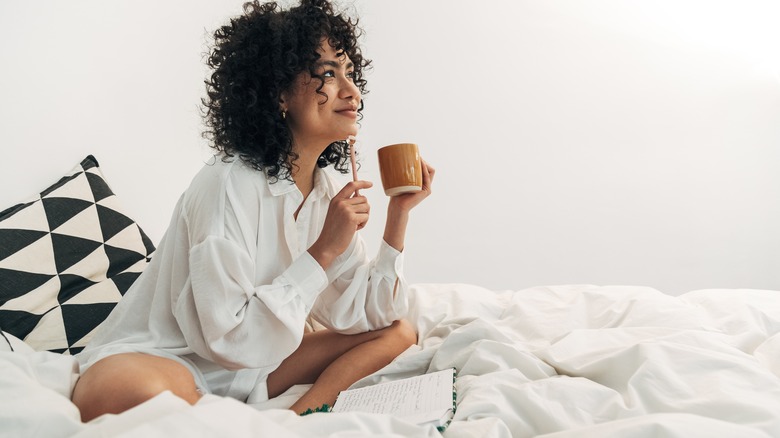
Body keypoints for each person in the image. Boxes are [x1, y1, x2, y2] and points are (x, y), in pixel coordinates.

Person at [72, 0, 434, 422]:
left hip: (255, 369)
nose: (351, 91)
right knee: (122, 392)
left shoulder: (328, 191)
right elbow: (225, 337)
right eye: (328, 74)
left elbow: (365, 313)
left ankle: (296, 418)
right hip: (171, 359)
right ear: (279, 92)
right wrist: (323, 252)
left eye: (349, 73)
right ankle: (218, 416)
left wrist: (398, 215)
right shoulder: (228, 182)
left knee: (398, 331)